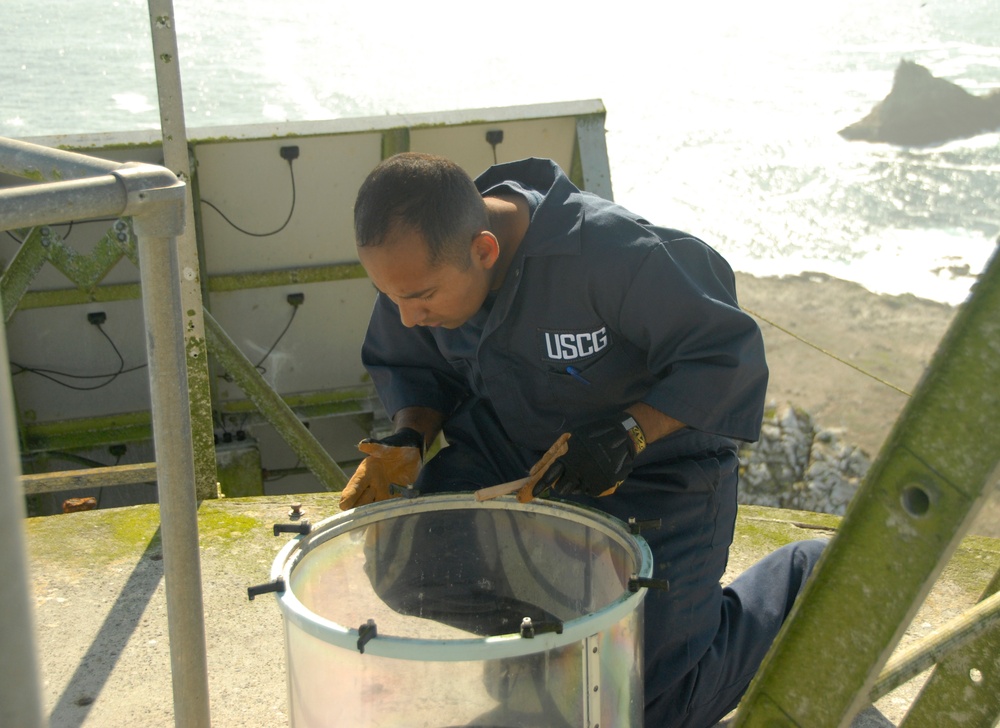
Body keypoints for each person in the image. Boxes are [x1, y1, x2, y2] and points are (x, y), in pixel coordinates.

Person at [341, 152, 826, 727]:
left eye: (419, 298)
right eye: (390, 296)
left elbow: (726, 357)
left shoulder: (617, 255)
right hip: (515, 461)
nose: (405, 316)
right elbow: (417, 368)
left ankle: (797, 579)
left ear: (484, 250)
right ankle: (560, 646)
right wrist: (410, 438)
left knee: (643, 705)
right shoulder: (424, 263)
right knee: (406, 559)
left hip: (656, 478)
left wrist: (632, 431)